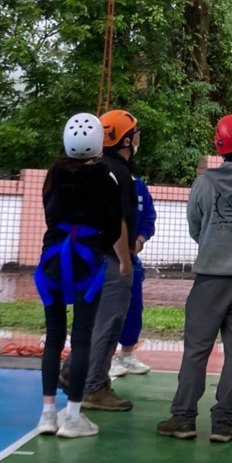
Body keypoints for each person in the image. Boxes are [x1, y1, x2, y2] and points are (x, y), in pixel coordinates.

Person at [157, 114, 232, 444]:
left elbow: (196, 228)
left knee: (196, 351)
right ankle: (224, 424)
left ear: (219, 144)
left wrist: (218, 246)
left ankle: (183, 419)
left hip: (210, 278)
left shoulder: (204, 184)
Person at [35, 113, 122, 439]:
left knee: (53, 336)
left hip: (51, 262)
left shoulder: (54, 175)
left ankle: (47, 415)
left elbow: (49, 213)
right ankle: (72, 416)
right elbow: (113, 227)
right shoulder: (107, 177)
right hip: (87, 264)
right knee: (82, 336)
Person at [62, 109, 139, 411]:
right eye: (135, 133)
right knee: (109, 324)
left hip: (85, 256)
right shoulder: (117, 173)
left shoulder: (92, 167)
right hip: (110, 258)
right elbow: (116, 220)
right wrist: (125, 259)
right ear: (126, 139)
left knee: (90, 322)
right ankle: (94, 387)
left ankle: (73, 371)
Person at [110, 176, 157, 378]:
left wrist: (138, 243)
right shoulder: (107, 181)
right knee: (108, 310)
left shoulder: (139, 186)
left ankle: (127, 355)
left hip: (132, 260)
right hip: (106, 260)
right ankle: (105, 356)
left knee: (134, 307)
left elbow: (149, 218)